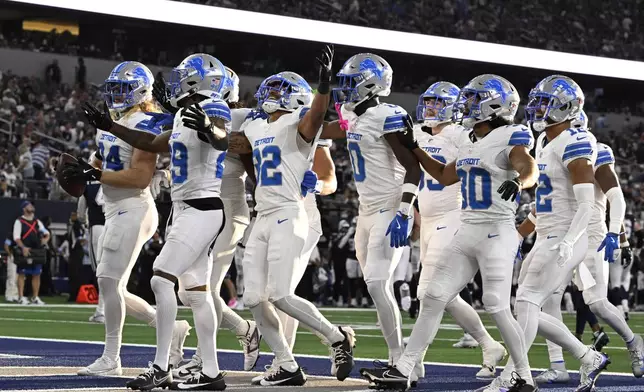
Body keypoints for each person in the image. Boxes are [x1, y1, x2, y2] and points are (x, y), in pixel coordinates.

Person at [362, 74, 538, 391]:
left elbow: (527, 165)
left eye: (474, 98)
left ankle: (522, 375)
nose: (466, 103)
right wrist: (415, 148)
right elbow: (443, 175)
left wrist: (521, 181)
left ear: (496, 105)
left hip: (497, 231)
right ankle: (403, 370)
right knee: (432, 296)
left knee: (495, 303)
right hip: (468, 230)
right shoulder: (472, 139)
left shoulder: (511, 134)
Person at [84, 53, 233, 391]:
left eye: (183, 77)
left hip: (203, 207)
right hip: (181, 208)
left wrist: (210, 128)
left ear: (199, 81)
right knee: (195, 294)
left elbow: (222, 138)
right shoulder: (181, 114)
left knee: (161, 281)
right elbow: (150, 143)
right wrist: (110, 126)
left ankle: (160, 365)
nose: (176, 82)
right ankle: (211, 372)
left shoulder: (213, 106)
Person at [228, 46, 356, 386]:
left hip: (292, 211)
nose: (270, 95)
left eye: (278, 91)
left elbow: (318, 118)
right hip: (263, 213)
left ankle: (336, 337)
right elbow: (229, 142)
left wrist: (323, 86)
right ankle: (286, 363)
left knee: (281, 294)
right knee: (253, 297)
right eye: (269, 89)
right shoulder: (255, 126)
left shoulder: (298, 123)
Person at [63, 61, 190, 377]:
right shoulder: (111, 122)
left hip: (134, 207)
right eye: (113, 88)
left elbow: (138, 177)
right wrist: (83, 168)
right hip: (113, 209)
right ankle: (171, 327)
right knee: (110, 287)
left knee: (109, 282)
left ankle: (111, 358)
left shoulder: (146, 123)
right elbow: (100, 158)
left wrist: (95, 173)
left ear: (140, 90)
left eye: (123, 88)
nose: (116, 94)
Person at [486, 75, 611, 392]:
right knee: (524, 307)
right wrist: (519, 235)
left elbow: (586, 205)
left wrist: (570, 242)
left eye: (545, 102)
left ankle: (513, 375)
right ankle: (587, 356)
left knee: (527, 301)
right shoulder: (544, 142)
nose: (537, 108)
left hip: (566, 236)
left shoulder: (575, 140)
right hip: (546, 235)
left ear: (567, 107)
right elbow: (545, 204)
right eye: (537, 101)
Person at [321, 53, 422, 370]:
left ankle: (399, 360)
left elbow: (413, 168)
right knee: (375, 287)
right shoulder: (355, 116)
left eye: (351, 82)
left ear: (371, 85)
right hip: (365, 212)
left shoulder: (387, 116)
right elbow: (322, 128)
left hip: (388, 208)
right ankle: (405, 360)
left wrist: (404, 211)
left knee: (379, 284)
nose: (345, 89)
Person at [410, 81, 507, 382]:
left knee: (428, 292)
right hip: (427, 219)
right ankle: (489, 344)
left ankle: (411, 363)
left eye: (439, 103)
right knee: (438, 294)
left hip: (452, 215)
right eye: (429, 101)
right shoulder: (419, 133)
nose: (431, 108)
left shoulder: (458, 134)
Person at [77, 180, 106, 323]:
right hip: (117, 227)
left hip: (98, 228)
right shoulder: (117, 180)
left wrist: (84, 221)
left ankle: (101, 311)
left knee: (101, 270)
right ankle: (113, 310)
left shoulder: (88, 186)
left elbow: (80, 214)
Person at [13, 200, 50, 305]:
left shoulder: (37, 221)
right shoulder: (19, 221)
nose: (31, 207)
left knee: (37, 274)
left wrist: (45, 239)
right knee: (22, 273)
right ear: (24, 209)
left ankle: (35, 297)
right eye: (28, 206)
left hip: (36, 251)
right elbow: (16, 238)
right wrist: (23, 247)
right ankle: (21, 296)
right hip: (25, 251)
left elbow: (46, 232)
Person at [4, 231, 18, 302]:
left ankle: (16, 295)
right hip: (13, 256)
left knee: (18, 277)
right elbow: (6, 245)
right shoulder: (11, 235)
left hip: (20, 258)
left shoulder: (22, 235)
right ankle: (9, 295)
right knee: (11, 276)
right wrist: (10, 255)